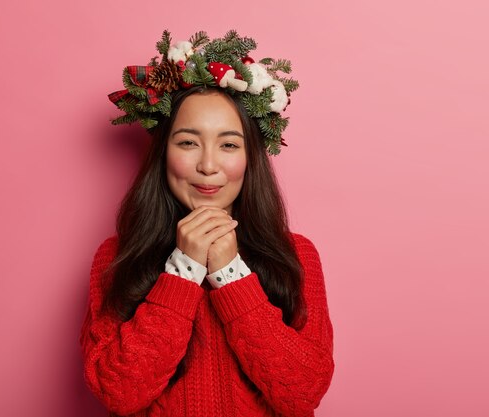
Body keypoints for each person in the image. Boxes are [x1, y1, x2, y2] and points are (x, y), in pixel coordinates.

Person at [79, 30, 334, 417]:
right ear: (163, 153)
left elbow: (302, 394)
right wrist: (183, 270)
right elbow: (119, 393)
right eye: (188, 142)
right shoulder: (115, 257)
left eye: (229, 145)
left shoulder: (297, 254)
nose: (208, 165)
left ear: (251, 158)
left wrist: (231, 275)